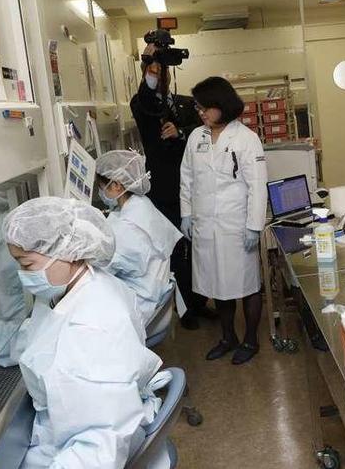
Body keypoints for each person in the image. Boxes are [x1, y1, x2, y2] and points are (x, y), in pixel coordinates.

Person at [2, 197, 169, 468]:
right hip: (67, 429)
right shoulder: (74, 286)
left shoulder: (90, 328)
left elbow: (99, 445)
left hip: (83, 448)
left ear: (68, 251)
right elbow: (36, 334)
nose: (23, 274)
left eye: (27, 264)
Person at [180, 76, 268, 365]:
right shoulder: (196, 137)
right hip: (205, 224)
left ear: (223, 105)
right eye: (198, 108)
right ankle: (227, 337)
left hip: (236, 225)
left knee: (247, 283)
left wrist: (254, 226)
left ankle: (251, 340)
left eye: (206, 107)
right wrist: (185, 214)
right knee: (218, 283)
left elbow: (257, 185)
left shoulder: (245, 139)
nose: (201, 113)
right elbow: (187, 178)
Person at [131, 40, 213, 330]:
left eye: (163, 71)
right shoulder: (142, 104)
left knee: (199, 247)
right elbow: (147, 99)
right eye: (155, 71)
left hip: (193, 185)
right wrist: (152, 63)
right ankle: (185, 308)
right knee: (177, 249)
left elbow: (204, 129)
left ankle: (201, 301)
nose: (160, 75)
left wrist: (180, 131)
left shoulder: (184, 103)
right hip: (165, 190)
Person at [96, 149, 184, 328]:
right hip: (152, 290)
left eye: (101, 187)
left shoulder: (129, 227)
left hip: (141, 303)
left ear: (116, 185)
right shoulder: (141, 204)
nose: (100, 192)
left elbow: (105, 266)